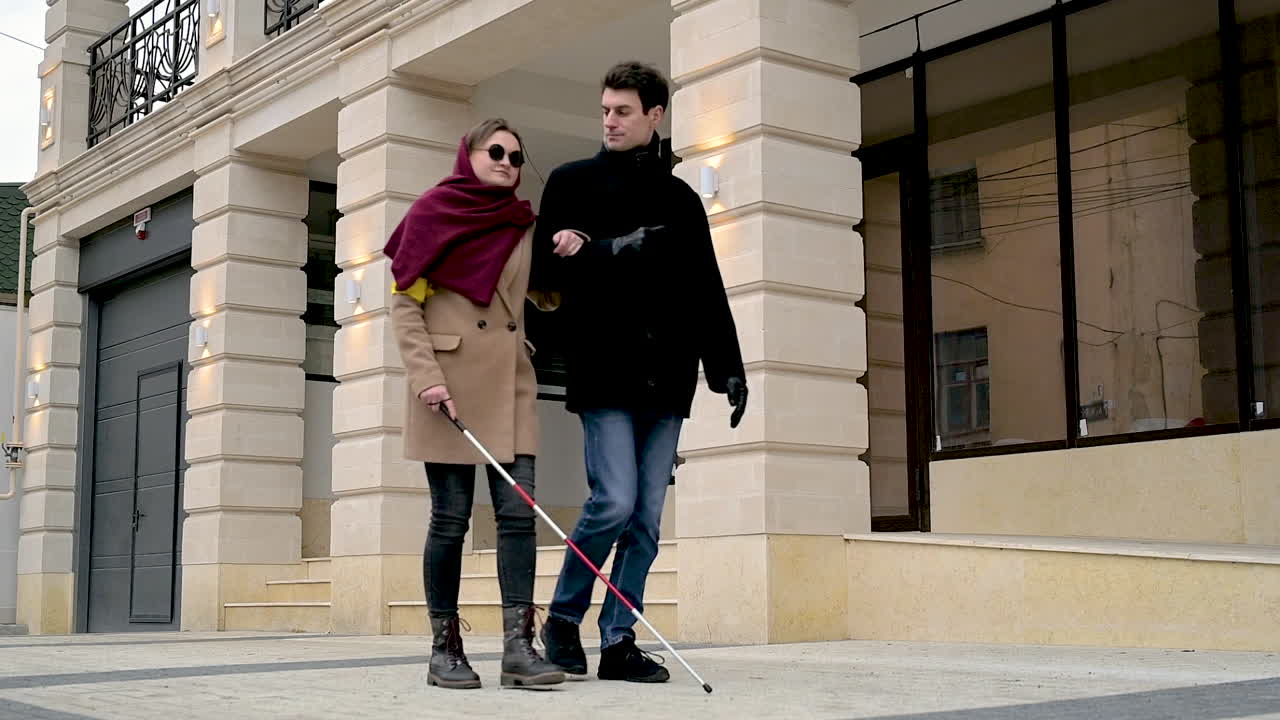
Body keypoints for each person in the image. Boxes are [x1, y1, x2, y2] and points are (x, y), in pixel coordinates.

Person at [530, 61, 748, 683]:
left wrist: (728, 368)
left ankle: (618, 639)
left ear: (655, 115)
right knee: (614, 502)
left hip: (668, 375)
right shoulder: (570, 183)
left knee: (647, 518)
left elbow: (706, 286)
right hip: (604, 370)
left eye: (623, 111)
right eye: (605, 110)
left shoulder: (681, 199)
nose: (610, 121)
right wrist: (606, 250)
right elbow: (545, 286)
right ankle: (564, 618)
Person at [385, 118, 566, 690]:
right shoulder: (431, 214)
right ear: (468, 155)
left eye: (516, 156)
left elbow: (544, 293)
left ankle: (519, 647)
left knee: (518, 516)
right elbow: (405, 306)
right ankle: (445, 649)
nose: (508, 163)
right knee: (451, 520)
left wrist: (565, 254)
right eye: (496, 152)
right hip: (450, 385)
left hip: (510, 383)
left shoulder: (520, 224)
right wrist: (426, 377)